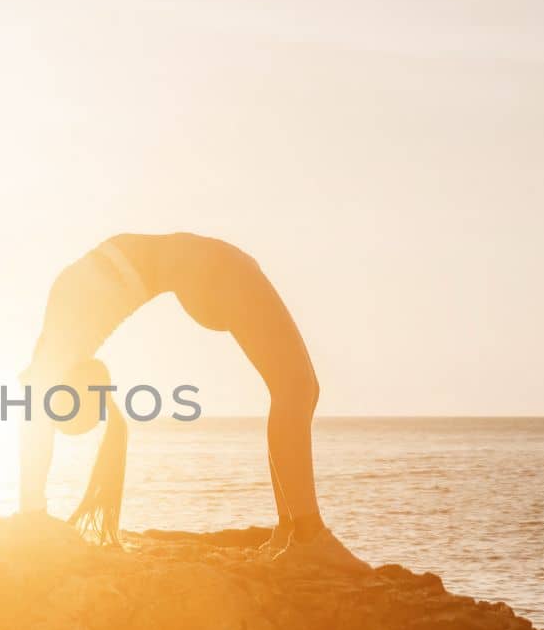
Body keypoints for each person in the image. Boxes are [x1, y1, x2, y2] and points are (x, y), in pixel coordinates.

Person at [18, 231, 370, 572]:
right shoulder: (67, 326)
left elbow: (35, 409)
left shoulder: (63, 339)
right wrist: (32, 512)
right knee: (296, 388)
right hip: (209, 269)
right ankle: (306, 534)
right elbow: (35, 409)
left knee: (300, 389)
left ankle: (291, 533)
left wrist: (31, 511)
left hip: (205, 271)